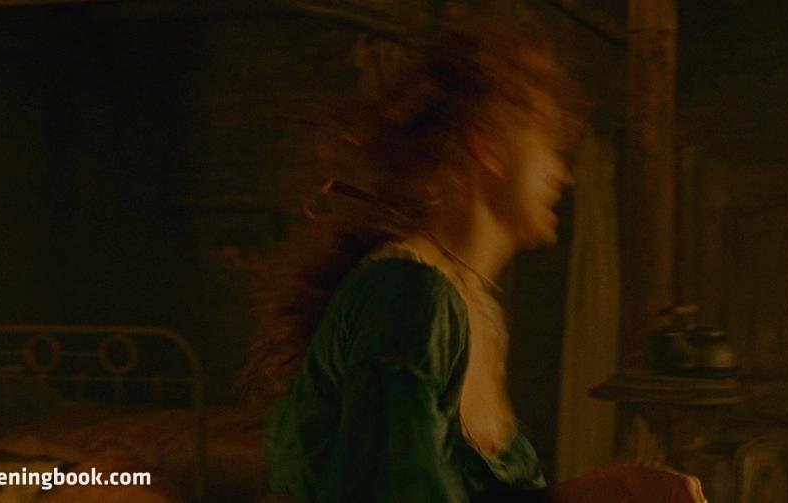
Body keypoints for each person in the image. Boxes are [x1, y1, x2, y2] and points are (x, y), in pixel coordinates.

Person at [243, 22, 706, 503]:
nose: (564, 176)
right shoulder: (410, 296)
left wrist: (602, 491)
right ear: (487, 145)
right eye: (551, 147)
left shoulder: (472, 306)